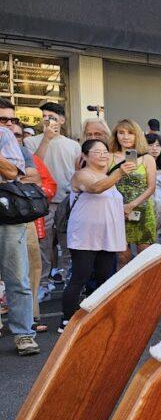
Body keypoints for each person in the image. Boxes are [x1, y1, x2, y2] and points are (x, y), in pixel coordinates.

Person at [61, 139, 130, 333]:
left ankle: (96, 315)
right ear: (84, 156)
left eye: (105, 151)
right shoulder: (82, 175)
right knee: (80, 276)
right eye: (97, 151)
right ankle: (67, 317)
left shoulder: (108, 176)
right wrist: (119, 172)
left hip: (107, 236)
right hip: (85, 236)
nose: (103, 154)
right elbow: (96, 188)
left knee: (104, 277)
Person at [24, 102, 79, 287]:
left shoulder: (73, 145)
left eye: (53, 117)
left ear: (62, 120)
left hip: (66, 199)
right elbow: (33, 165)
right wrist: (46, 139)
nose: (48, 121)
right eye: (45, 117)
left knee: (67, 242)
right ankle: (43, 282)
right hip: (41, 201)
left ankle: (65, 276)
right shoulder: (30, 142)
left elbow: (77, 172)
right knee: (43, 244)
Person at [0, 112, 40, 354]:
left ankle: (23, 333)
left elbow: (14, 173)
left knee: (17, 276)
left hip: (5, 211)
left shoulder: (4, 135)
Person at [9, 118, 53, 332]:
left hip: (20, 217)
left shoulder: (24, 152)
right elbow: (21, 176)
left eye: (17, 133)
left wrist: (11, 178)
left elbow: (35, 176)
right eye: (3, 120)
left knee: (30, 267)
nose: (8, 128)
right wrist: (16, 178)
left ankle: (30, 318)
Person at [109, 119, 157, 264]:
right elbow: (105, 183)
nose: (125, 137)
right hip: (116, 211)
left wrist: (131, 205)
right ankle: (126, 286)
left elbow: (151, 187)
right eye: (121, 133)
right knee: (122, 257)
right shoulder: (109, 157)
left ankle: (146, 287)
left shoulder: (147, 158)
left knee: (146, 258)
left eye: (130, 133)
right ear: (116, 135)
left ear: (137, 135)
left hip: (142, 211)